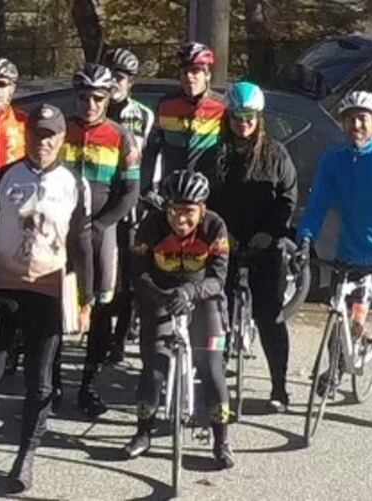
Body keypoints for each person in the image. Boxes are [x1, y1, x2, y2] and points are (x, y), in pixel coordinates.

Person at [0, 104, 93, 493]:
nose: (41, 142)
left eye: (49, 136)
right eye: (35, 134)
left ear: (62, 139)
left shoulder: (73, 183)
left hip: (46, 294)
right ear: (26, 136)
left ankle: (25, 458)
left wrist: (86, 300)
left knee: (40, 382)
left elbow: (82, 244)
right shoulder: (4, 177)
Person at [122, 170, 235, 470]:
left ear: (203, 209)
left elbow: (219, 278)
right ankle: (143, 433)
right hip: (159, 296)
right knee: (153, 368)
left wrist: (190, 291)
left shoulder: (216, 227)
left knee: (211, 368)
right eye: (174, 211)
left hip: (204, 300)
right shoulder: (151, 226)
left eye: (189, 212)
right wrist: (161, 296)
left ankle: (221, 441)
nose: (180, 220)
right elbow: (138, 272)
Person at [202, 82, 297, 412]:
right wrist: (217, 232)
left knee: (269, 316)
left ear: (259, 118)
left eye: (250, 117)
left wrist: (271, 234)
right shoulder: (214, 154)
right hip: (224, 242)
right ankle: (213, 380)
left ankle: (280, 388)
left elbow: (287, 200)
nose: (243, 123)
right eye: (237, 117)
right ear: (227, 117)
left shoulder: (276, 155)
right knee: (215, 311)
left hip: (264, 244)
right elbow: (202, 199)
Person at [296, 91, 372, 406]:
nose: (356, 125)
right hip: (348, 251)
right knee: (339, 311)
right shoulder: (333, 160)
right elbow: (319, 202)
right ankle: (335, 367)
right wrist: (305, 236)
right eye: (350, 119)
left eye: (363, 118)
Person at [65, 63, 140, 418]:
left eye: (98, 97)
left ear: (109, 98)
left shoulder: (122, 136)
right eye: (84, 97)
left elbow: (130, 192)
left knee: (102, 306)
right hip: (60, 230)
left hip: (101, 229)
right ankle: (48, 382)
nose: (90, 104)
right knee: (53, 304)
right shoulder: (59, 130)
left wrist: (102, 224)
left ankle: (88, 384)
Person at [97, 46, 157, 367]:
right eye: (111, 76)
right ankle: (100, 335)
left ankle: (119, 339)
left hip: (133, 206)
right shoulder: (94, 110)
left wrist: (148, 196)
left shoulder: (144, 116)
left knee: (129, 277)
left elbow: (150, 164)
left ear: (130, 82)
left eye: (121, 78)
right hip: (100, 204)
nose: (114, 83)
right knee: (102, 276)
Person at [143, 42, 227, 203]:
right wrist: (145, 190)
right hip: (172, 192)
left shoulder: (222, 107)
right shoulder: (166, 105)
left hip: (209, 194)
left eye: (195, 71)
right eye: (185, 72)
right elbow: (151, 151)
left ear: (207, 75)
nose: (189, 76)